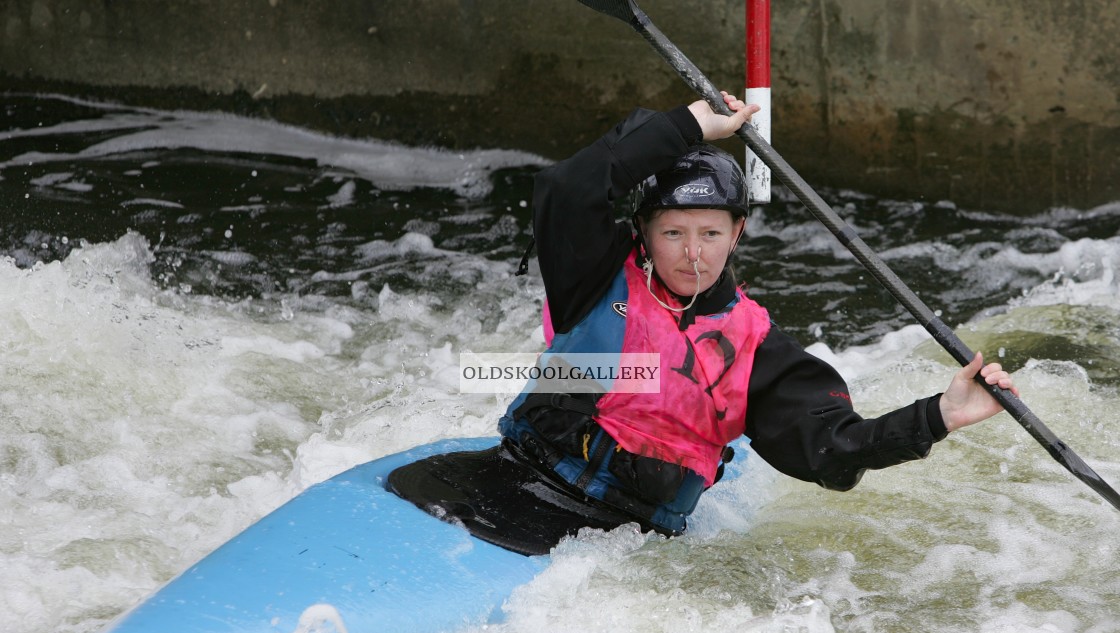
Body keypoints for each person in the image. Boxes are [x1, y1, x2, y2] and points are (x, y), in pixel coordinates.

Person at [387, 93, 1018, 555]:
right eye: (674, 233)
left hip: (624, 546)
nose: (694, 253)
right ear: (642, 232)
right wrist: (687, 125)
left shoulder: (756, 346)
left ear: (738, 232)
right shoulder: (594, 278)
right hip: (514, 479)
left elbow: (835, 449)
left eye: (712, 233)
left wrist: (942, 414)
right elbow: (569, 188)